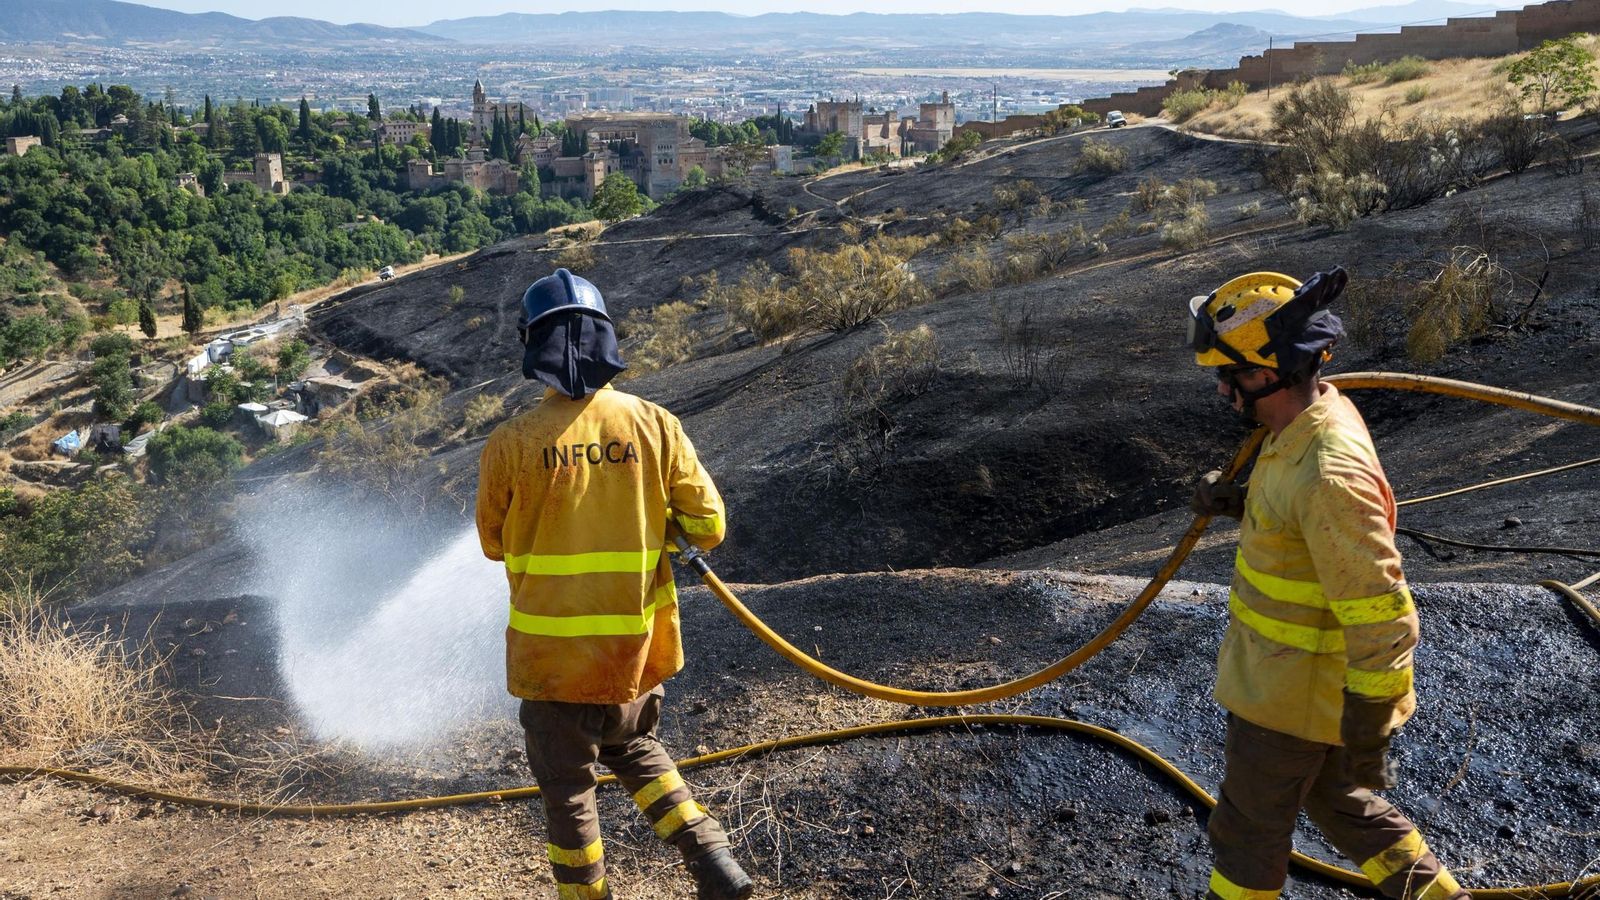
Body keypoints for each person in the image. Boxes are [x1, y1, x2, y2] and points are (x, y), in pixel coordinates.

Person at [1186, 268, 1469, 900]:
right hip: (1310, 693)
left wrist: (1369, 728)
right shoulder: (1309, 423)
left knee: (1246, 835)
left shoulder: (1326, 471)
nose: (1221, 388)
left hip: (1291, 700)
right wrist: (1240, 501)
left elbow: (1382, 613)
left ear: (1265, 374)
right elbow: (1308, 535)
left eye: (1226, 372)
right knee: (1347, 809)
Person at [476, 269, 754, 900]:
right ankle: (712, 858)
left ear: (533, 345)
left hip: (552, 664)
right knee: (635, 748)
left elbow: (493, 545)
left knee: (568, 792)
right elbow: (708, 527)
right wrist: (659, 517)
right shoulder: (655, 424)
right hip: (631, 649)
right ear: (605, 340)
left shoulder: (511, 443)